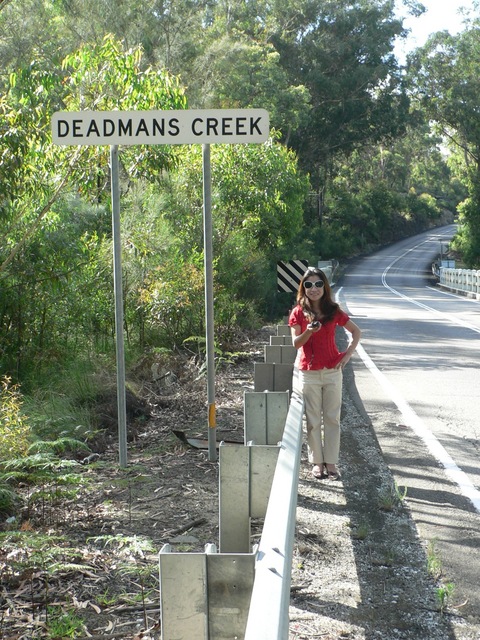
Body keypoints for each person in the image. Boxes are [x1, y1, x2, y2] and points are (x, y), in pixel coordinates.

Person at [289, 267, 361, 480]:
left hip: (332, 371)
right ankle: (316, 463)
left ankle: (331, 463)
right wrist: (309, 331)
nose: (314, 289)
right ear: (303, 287)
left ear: (324, 287)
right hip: (308, 372)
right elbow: (296, 343)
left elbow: (356, 332)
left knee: (332, 419)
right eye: (309, 284)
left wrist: (346, 356)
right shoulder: (298, 312)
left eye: (318, 284)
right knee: (312, 420)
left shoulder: (333, 310)